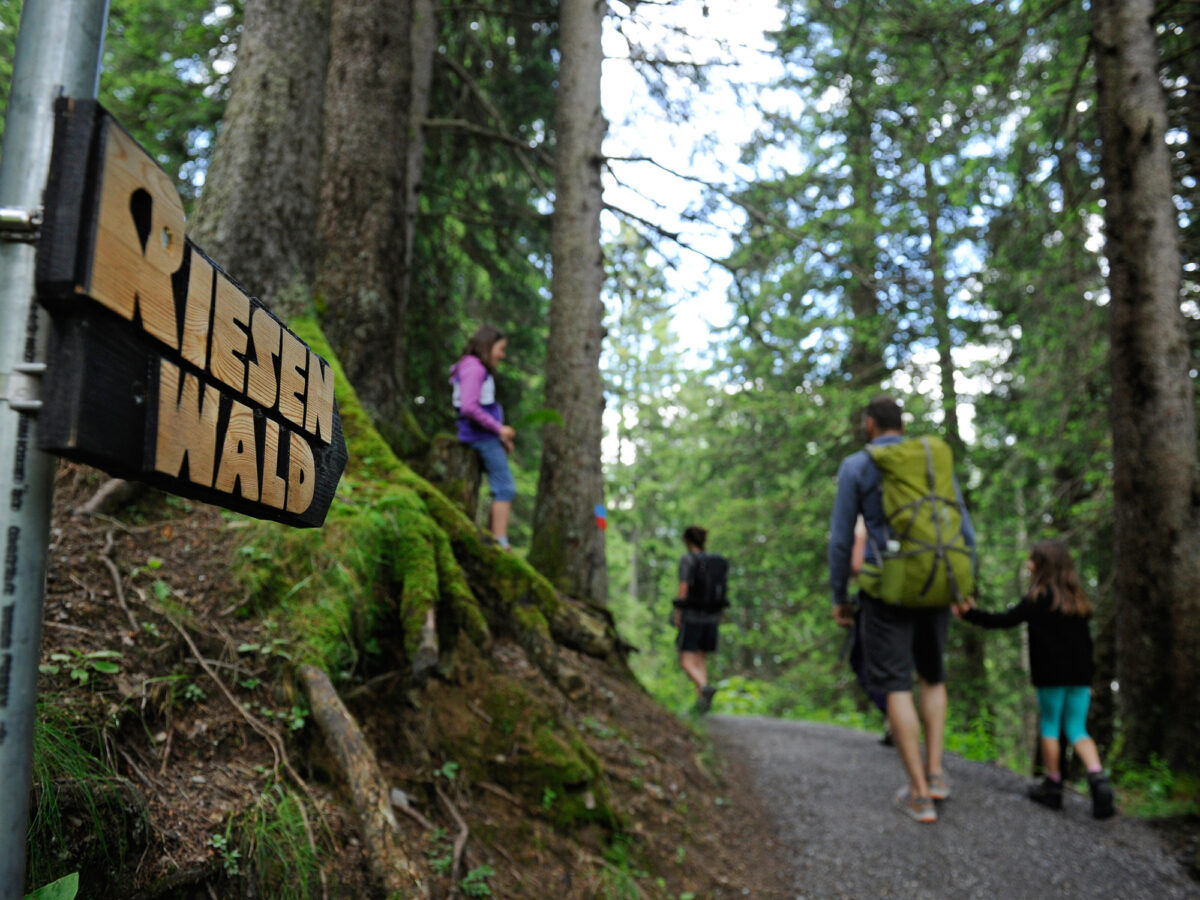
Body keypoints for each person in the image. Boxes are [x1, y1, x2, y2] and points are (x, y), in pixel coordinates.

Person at [828, 396, 976, 824]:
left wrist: (839, 595)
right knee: (933, 675)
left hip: (887, 589)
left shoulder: (858, 466)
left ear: (870, 424)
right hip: (938, 580)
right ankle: (935, 774)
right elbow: (961, 523)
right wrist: (964, 585)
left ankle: (917, 794)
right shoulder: (929, 458)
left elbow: (841, 540)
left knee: (895, 684)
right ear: (902, 424)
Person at [956, 540, 1115, 819]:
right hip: (1079, 677)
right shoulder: (1078, 601)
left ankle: (1052, 785)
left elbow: (1004, 620)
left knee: (1051, 725)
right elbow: (1087, 644)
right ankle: (1098, 780)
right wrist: (1088, 679)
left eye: (1031, 561)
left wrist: (969, 613)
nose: (1027, 565)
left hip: (1051, 676)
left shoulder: (1038, 598)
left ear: (1042, 565)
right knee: (1078, 729)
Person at [450, 326, 517, 549]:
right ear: (487, 346)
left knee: (499, 486)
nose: (502, 355)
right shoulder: (475, 368)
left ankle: (493, 537)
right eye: (500, 349)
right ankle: (499, 542)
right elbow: (469, 407)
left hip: (485, 436)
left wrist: (501, 437)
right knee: (505, 487)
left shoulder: (473, 367)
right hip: (480, 436)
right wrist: (498, 430)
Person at [673, 525, 722, 714]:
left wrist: (678, 611)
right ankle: (702, 703)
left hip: (692, 615)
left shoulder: (687, 559)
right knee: (700, 658)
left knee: (686, 660)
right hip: (712, 616)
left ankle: (704, 689)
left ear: (687, 541)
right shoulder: (713, 561)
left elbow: (683, 587)